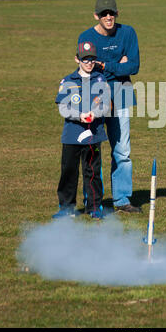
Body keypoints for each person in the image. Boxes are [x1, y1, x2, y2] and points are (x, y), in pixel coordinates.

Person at [78, 0, 142, 213]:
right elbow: (86, 68)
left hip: (122, 98)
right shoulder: (86, 37)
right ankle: (93, 201)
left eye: (111, 13)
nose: (108, 17)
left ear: (116, 14)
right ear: (96, 15)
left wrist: (104, 64)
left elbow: (133, 66)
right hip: (95, 99)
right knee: (92, 150)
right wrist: (117, 65)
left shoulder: (128, 33)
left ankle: (122, 200)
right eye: (104, 14)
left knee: (122, 151)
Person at [52, 41, 111, 220]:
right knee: (69, 171)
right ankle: (66, 208)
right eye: (85, 59)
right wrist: (80, 116)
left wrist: (95, 113)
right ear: (77, 59)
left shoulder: (101, 80)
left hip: (93, 136)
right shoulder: (68, 81)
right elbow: (63, 108)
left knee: (92, 171)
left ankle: (94, 207)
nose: (89, 63)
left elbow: (106, 105)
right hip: (71, 136)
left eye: (92, 59)